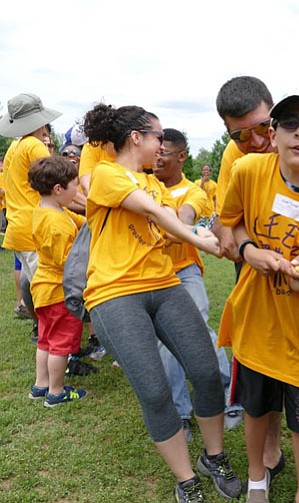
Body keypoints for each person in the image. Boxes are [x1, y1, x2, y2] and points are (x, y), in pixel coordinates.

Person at [82, 103, 241, 503]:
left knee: (205, 372)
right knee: (154, 391)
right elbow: (153, 212)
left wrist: (227, 243)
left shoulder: (153, 183)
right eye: (158, 136)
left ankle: (214, 456)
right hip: (115, 293)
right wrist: (201, 240)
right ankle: (186, 477)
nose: (161, 144)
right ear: (136, 137)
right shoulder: (107, 174)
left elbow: (172, 229)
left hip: (165, 284)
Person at [214, 76, 299, 503]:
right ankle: (259, 476)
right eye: (289, 123)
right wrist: (248, 249)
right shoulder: (245, 167)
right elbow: (227, 220)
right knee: (256, 404)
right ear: (275, 134)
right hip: (255, 315)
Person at [153, 128, 237, 442]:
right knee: (166, 340)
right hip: (153, 274)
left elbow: (186, 218)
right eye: (156, 151)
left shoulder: (194, 192)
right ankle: (180, 413)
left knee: (199, 326)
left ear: (182, 157)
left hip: (185, 270)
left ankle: (226, 390)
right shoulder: (143, 185)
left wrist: (169, 221)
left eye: (165, 153)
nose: (158, 158)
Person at [0, 93, 61, 345]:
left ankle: (42, 333)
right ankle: (56, 347)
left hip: (18, 227)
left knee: (33, 284)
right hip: (36, 226)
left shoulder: (16, 145)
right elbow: (55, 179)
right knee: (48, 292)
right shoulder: (35, 145)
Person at [27, 155, 87, 406]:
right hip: (59, 292)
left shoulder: (44, 211)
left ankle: (40, 385)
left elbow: (82, 221)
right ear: (58, 189)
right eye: (74, 185)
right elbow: (69, 264)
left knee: (46, 339)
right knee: (61, 345)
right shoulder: (58, 225)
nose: (77, 191)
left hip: (42, 288)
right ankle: (56, 391)